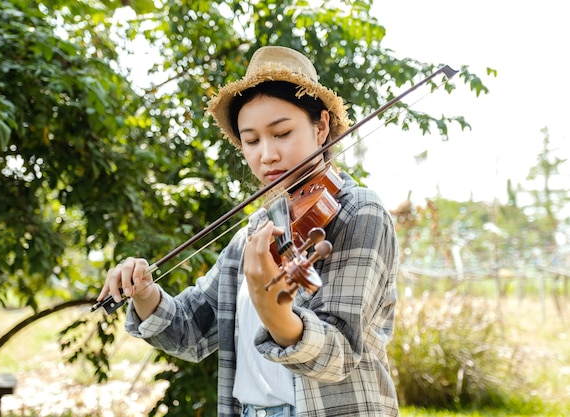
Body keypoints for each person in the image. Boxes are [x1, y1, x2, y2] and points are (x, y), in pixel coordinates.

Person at [98, 45, 400, 417]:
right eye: (252, 141)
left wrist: (274, 310)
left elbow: (338, 355)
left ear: (321, 127)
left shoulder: (358, 212)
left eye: (282, 133)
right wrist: (143, 292)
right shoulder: (260, 227)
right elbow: (193, 330)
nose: (266, 155)